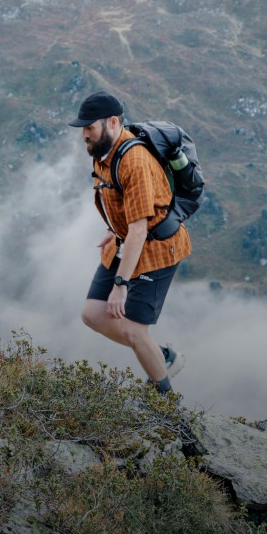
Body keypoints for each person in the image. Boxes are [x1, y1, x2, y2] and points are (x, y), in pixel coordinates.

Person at [69, 91, 189, 394]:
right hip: (125, 239)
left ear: (112, 122)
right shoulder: (103, 152)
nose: (84, 134)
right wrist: (113, 228)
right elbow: (122, 207)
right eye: (82, 128)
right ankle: (161, 356)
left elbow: (139, 229)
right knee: (93, 313)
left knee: (135, 331)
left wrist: (121, 284)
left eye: (89, 127)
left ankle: (164, 401)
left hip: (158, 248)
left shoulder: (134, 160)